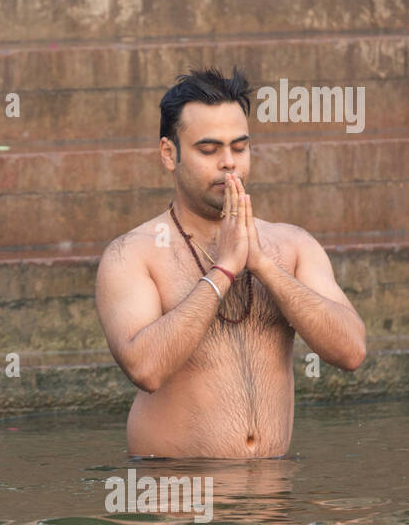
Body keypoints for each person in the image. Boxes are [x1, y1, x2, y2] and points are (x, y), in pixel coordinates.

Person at [95, 68, 366, 458]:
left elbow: (351, 351)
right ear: (169, 154)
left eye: (239, 148)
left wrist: (264, 266)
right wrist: (223, 271)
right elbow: (146, 369)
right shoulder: (132, 254)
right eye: (209, 150)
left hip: (273, 500)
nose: (228, 163)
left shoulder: (291, 244)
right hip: (177, 497)